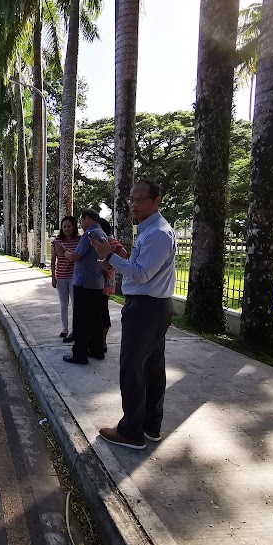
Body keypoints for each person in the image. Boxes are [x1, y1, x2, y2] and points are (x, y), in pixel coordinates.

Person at [90, 180, 177, 450]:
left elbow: (141, 273)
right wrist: (114, 260)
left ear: (157, 200)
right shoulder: (149, 231)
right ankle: (150, 425)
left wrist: (110, 256)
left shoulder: (159, 234)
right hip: (149, 307)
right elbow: (138, 267)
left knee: (133, 368)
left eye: (140, 199)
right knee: (151, 368)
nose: (134, 205)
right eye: (131, 199)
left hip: (146, 308)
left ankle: (131, 431)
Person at [62, 209, 108, 365]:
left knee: (80, 320)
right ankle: (97, 349)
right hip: (97, 283)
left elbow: (76, 256)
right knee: (95, 319)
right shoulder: (102, 233)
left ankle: (79, 354)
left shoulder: (90, 234)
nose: (80, 224)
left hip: (84, 282)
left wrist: (65, 253)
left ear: (87, 219)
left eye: (81, 220)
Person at [97, 218, 125, 352]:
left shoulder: (109, 241)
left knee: (102, 311)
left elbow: (123, 253)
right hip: (96, 282)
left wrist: (110, 263)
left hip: (104, 283)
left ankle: (102, 341)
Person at [51, 216, 81, 340]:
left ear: (73, 227)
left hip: (75, 277)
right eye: (64, 227)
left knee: (76, 304)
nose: (66, 229)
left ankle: (74, 330)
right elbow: (53, 260)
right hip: (61, 276)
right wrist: (53, 277)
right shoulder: (57, 241)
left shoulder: (79, 240)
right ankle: (65, 328)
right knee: (64, 304)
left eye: (69, 226)